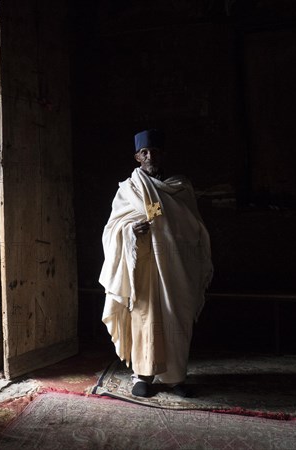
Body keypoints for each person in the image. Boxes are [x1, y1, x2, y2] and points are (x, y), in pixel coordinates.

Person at [99, 129, 213, 398]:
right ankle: (144, 376)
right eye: (145, 152)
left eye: (156, 151)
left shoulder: (180, 189)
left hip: (176, 269)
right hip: (144, 269)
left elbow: (194, 228)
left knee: (176, 320)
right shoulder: (129, 190)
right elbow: (112, 228)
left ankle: (176, 378)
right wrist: (129, 232)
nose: (150, 156)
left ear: (164, 154)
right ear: (137, 157)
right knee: (145, 320)